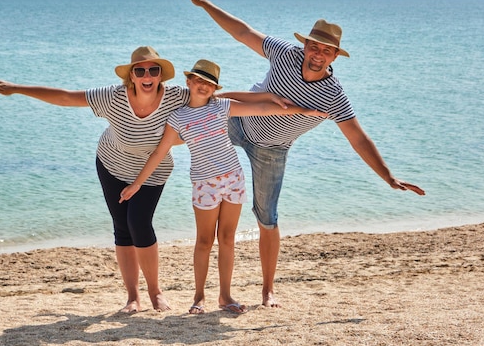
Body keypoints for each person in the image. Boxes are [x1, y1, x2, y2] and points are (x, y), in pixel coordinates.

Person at [181, 0, 426, 308]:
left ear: (334, 56)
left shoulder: (334, 95)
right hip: (238, 121)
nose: (317, 54)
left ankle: (268, 289)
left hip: (272, 150)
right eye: (314, 47)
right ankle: (140, 154)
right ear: (306, 45)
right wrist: (206, 4)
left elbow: (357, 137)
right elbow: (242, 32)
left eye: (326, 51)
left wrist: (388, 176)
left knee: (267, 217)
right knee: (188, 122)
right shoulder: (284, 54)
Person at [0, 46, 191, 313]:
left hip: (152, 172)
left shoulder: (176, 98)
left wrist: (261, 104)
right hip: (111, 164)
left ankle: (155, 292)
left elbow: (212, 99)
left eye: (154, 70)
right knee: (123, 229)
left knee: (139, 223)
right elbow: (67, 98)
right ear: (132, 76)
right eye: (140, 70)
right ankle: (132, 297)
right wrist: (17, 88)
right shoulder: (113, 97)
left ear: (161, 75)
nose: (147, 75)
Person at [119, 59, 328, 314]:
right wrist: (137, 184)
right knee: (204, 241)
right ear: (189, 82)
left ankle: (225, 296)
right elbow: (160, 152)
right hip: (204, 183)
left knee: (227, 239)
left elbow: (263, 108)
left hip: (233, 179)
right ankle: (198, 297)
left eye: (209, 83)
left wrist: (302, 111)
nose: (203, 86)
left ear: (215, 88)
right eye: (199, 80)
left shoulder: (222, 107)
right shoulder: (178, 117)